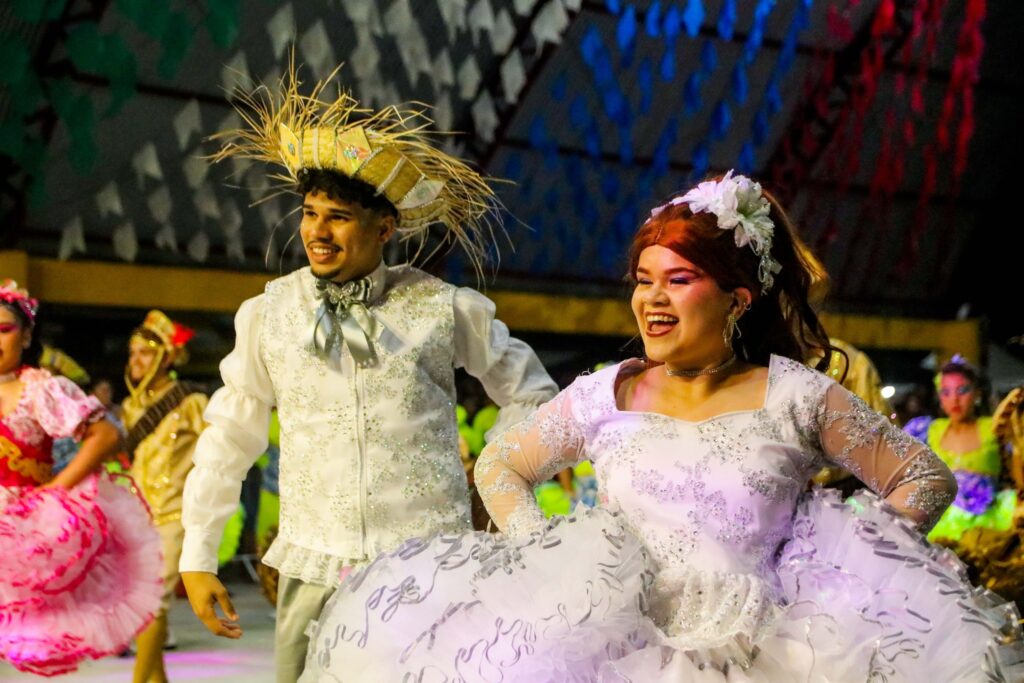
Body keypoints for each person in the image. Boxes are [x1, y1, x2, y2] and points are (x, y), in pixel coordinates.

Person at [301, 172, 1023, 682]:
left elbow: (923, 478)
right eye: (644, 280)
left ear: (736, 299)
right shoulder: (604, 394)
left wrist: (833, 567)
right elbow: (500, 465)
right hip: (614, 653)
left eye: (678, 280)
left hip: (767, 657)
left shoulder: (795, 395)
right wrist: (549, 562)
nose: (652, 299)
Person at [177, 65, 558, 681]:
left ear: (385, 228)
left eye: (338, 217)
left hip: (430, 570)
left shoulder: (442, 307)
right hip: (313, 566)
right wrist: (198, 554)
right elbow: (231, 436)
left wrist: (494, 478)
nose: (317, 232)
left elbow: (534, 394)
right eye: (309, 213)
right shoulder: (269, 313)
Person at [0, 280, 161, 676]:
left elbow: (104, 434)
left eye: (4, 329)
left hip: (20, 531)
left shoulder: (38, 387)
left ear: (26, 336)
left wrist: (57, 488)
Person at [121, 310, 208, 683]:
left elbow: (220, 454)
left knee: (153, 605)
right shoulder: (131, 407)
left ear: (166, 357)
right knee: (140, 607)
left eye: (145, 353)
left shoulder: (190, 402)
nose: (135, 361)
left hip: (175, 517)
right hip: (137, 518)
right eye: (132, 353)